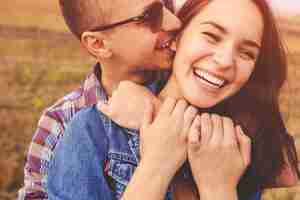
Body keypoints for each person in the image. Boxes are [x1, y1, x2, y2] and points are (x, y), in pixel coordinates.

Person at [47, 0, 299, 199]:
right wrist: (157, 164)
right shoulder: (92, 131)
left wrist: (218, 189)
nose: (224, 61)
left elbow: (288, 174)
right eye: (211, 36)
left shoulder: (235, 145)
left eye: (246, 53)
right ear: (175, 37)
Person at [17, 0, 181, 199]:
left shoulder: (196, 92)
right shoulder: (60, 123)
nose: (174, 22)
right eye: (149, 16)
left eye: (167, 4)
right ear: (99, 44)